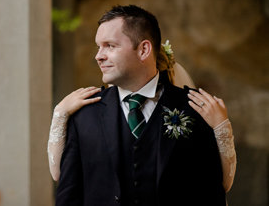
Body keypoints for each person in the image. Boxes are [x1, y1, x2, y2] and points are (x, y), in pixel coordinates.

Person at [54, 5, 228, 205]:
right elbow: (68, 196)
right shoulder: (84, 113)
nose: (99, 56)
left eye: (110, 46)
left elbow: (210, 194)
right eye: (98, 46)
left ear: (144, 49)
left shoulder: (195, 107)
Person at [47, 59, 237, 192]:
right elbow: (63, 178)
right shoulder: (88, 112)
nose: (99, 57)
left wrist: (221, 126)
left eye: (111, 46)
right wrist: (60, 113)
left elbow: (217, 185)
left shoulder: (191, 109)